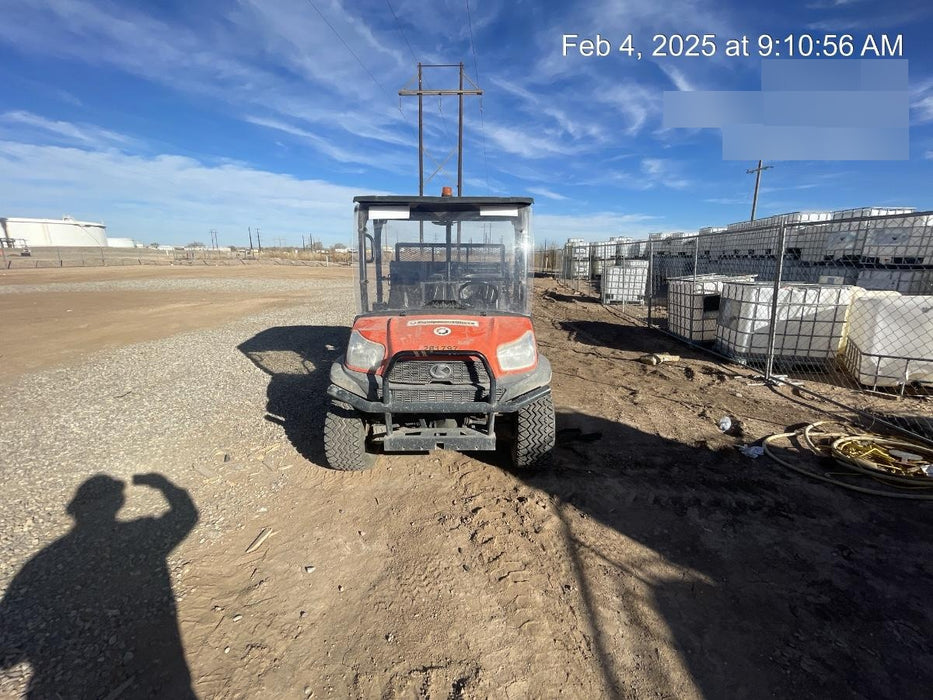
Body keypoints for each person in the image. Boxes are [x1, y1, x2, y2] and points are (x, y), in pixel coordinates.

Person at [0, 473, 198, 698]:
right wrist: (162, 484)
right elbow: (186, 516)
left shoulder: (40, 563)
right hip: (157, 664)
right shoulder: (141, 533)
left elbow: (9, 656)